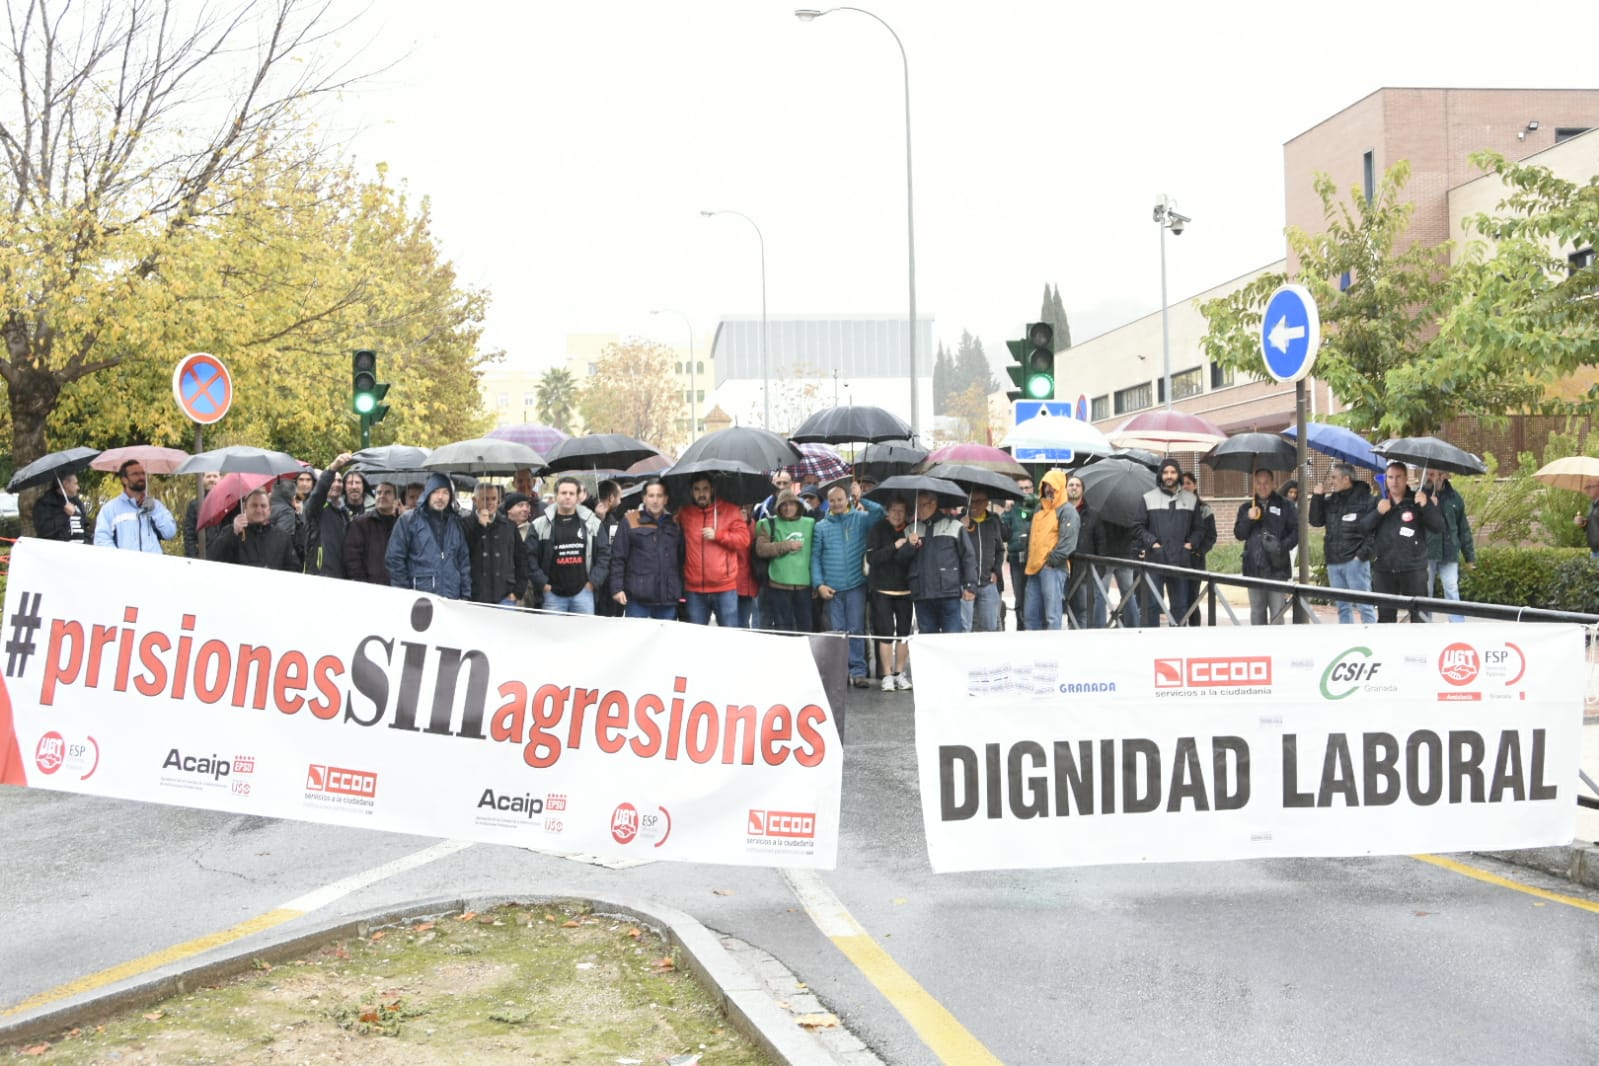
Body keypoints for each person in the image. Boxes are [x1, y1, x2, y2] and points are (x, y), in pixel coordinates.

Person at [811, 483, 885, 687]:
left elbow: (880, 512)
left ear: (847, 500)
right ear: (829, 501)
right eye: (832, 500)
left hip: (856, 585)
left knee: (856, 629)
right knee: (837, 632)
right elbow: (815, 558)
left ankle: (858, 671)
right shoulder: (821, 527)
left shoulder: (860, 519)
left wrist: (861, 497)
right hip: (832, 589)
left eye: (840, 499)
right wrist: (819, 585)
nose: (836, 503)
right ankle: (839, 672)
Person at [1358, 462, 1444, 623]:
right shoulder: (1379, 501)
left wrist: (1426, 506)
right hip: (1384, 568)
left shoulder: (1418, 499)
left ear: (1406, 479)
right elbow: (1362, 528)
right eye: (1390, 477)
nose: (1394, 481)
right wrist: (1378, 513)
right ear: (1386, 480)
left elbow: (1438, 527)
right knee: (1386, 618)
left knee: (1420, 616)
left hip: (1413, 568)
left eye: (1398, 477)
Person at [674, 474, 750, 626]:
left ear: (713, 489)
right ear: (691, 491)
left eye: (705, 489)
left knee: (729, 637)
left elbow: (744, 540)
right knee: (696, 639)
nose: (701, 493)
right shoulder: (686, 513)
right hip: (694, 590)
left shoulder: (730, 510)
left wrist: (718, 535)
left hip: (725, 589)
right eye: (696, 489)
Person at [528, 476, 610, 615]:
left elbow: (605, 555)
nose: (567, 497)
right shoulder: (540, 525)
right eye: (563, 493)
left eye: (571, 493)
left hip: (583, 593)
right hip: (552, 594)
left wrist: (594, 582)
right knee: (553, 635)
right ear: (556, 496)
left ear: (578, 497)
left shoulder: (593, 523)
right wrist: (542, 583)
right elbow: (529, 558)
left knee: (583, 635)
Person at [1309, 463, 1377, 624]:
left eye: (1334, 477)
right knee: (1342, 607)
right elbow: (1315, 521)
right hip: (1334, 561)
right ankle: (1348, 641)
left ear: (1346, 479)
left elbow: (1373, 532)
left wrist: (1361, 556)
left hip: (1355, 562)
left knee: (1364, 605)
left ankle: (1372, 640)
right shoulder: (1332, 500)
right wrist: (1317, 497)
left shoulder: (1366, 500)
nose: (1331, 481)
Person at [1134, 458, 1199, 626]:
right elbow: (1138, 527)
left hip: (1180, 560)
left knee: (1180, 607)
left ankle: (1177, 646)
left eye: (1173, 472)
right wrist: (1153, 543)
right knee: (1152, 606)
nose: (1169, 476)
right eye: (1165, 472)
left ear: (1178, 474)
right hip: (1155, 559)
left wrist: (1190, 544)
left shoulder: (1191, 499)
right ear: (1160, 475)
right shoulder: (1148, 498)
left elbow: (1199, 529)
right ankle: (1151, 645)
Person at [386, 472, 471, 598]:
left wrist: (465, 596)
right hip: (420, 596)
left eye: (445, 493)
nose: (440, 497)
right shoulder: (409, 520)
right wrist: (403, 594)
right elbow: (394, 559)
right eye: (436, 491)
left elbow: (463, 562)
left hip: (451, 596)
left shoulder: (455, 523)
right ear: (428, 494)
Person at [609, 478, 684, 620]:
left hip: (667, 598)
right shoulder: (630, 521)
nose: (655, 500)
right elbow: (618, 557)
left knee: (664, 641)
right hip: (638, 598)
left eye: (659, 496)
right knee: (637, 640)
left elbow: (681, 559)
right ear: (644, 498)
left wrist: (680, 590)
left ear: (665, 499)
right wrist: (617, 588)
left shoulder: (675, 524)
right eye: (651, 496)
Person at [906, 490, 977, 635]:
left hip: (948, 592)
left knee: (951, 639)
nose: (918, 510)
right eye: (916, 506)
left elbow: (968, 557)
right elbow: (901, 560)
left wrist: (970, 585)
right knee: (928, 639)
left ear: (934, 504)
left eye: (921, 505)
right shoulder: (910, 529)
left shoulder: (955, 526)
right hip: (922, 593)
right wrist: (909, 546)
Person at [1235, 469, 1298, 625]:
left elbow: (1296, 532)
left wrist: (1281, 547)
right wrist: (1248, 519)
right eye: (1258, 483)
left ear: (1273, 484)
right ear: (1254, 485)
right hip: (1253, 568)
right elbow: (1239, 534)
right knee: (1257, 612)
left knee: (1277, 612)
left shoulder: (1286, 506)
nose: (1262, 487)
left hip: (1277, 568)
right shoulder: (1246, 507)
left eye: (1266, 483)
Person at [867, 498, 915, 690]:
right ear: (887, 511)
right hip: (882, 589)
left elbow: (913, 559)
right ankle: (887, 674)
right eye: (894, 510)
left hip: (905, 589)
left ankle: (900, 672)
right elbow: (873, 558)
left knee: (904, 633)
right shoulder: (877, 528)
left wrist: (912, 545)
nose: (897, 515)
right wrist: (895, 546)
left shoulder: (912, 529)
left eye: (901, 511)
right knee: (886, 632)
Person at [1022, 470, 1079, 631]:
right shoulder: (1039, 509)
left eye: (1052, 486)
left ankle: (1053, 651)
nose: (1049, 489)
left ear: (1060, 487)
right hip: (1034, 569)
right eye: (1046, 485)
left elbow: (1068, 543)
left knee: (1052, 616)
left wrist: (1051, 562)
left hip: (1052, 569)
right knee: (1031, 615)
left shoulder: (1068, 511)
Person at [755, 489, 814, 634]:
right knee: (783, 629)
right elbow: (761, 549)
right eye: (784, 505)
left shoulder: (811, 523)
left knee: (805, 629)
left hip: (804, 585)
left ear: (798, 506)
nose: (788, 508)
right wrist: (787, 545)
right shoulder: (767, 524)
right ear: (778, 507)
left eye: (792, 504)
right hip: (778, 584)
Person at [463, 482, 529, 607]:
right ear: (475, 500)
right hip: (476, 596)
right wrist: (479, 527)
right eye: (485, 499)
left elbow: (521, 559)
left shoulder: (509, 525)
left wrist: (517, 591)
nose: (490, 503)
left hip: (505, 596)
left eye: (493, 498)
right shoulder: (465, 524)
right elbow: (463, 555)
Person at [1423, 470, 1475, 623]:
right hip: (1428, 551)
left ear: (1443, 475)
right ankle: (1425, 624)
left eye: (1433, 474)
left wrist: (1469, 557)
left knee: (1452, 588)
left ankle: (1457, 625)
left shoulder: (1455, 498)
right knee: (1426, 591)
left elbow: (1463, 527)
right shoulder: (1421, 495)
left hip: (1449, 550)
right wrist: (1429, 507)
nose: (1429, 477)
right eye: (1428, 473)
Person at [205, 487, 299, 570]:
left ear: (270, 510)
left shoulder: (282, 536)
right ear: (245, 508)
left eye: (263, 506)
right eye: (254, 505)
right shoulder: (232, 532)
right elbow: (213, 558)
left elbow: (292, 568)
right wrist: (232, 533)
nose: (258, 510)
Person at [94, 460, 177, 553]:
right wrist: (119, 560)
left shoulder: (156, 505)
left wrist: (153, 511)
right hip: (126, 565)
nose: (141, 477)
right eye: (135, 474)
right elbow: (102, 540)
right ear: (124, 480)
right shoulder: (110, 509)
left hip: (154, 565)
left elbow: (170, 533)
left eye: (142, 473)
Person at [301, 454, 359, 578]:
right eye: (333, 480)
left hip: (340, 576)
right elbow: (319, 493)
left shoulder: (344, 513)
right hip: (319, 575)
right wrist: (332, 468)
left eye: (339, 481)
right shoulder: (316, 508)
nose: (336, 484)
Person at [962, 489, 1007, 633]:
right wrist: (962, 529)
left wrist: (996, 571)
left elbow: (1000, 550)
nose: (974, 505)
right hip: (965, 585)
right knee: (965, 628)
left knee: (990, 628)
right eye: (972, 501)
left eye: (979, 501)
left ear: (987, 502)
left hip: (987, 584)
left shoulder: (993, 522)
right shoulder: (960, 522)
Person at [1066, 474, 1108, 628]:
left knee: (1083, 609)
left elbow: (1101, 542)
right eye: (1071, 485)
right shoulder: (1058, 512)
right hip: (1063, 568)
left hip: (1085, 570)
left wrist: (1100, 568)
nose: (1074, 488)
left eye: (1077, 485)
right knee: (1065, 608)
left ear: (1083, 490)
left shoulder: (1093, 514)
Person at [345, 481, 402, 585]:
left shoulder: (401, 524)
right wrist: (362, 584)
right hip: (370, 587)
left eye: (387, 493)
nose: (382, 496)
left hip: (397, 586)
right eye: (379, 492)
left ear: (396, 499)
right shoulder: (360, 523)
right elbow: (353, 559)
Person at [1180, 472, 1217, 625]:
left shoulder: (1204, 509)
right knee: (1179, 600)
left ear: (1195, 485)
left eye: (1188, 483)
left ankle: (1195, 629)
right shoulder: (1174, 507)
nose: (1185, 486)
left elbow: (1211, 536)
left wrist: (1197, 551)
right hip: (1178, 560)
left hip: (1195, 561)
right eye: (1182, 483)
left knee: (1192, 599)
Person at [1000, 475, 1035, 629]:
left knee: (1034, 595)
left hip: (1036, 558)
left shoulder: (1039, 506)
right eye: (1021, 488)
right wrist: (1006, 512)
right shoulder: (1012, 508)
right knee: (1020, 595)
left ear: (1033, 489)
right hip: (1016, 557)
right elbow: (1003, 533)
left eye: (1027, 488)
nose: (1024, 491)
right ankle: (1021, 626)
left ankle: (1033, 627)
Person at [34, 474, 91, 544]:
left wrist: (87, 542)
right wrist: (64, 515)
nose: (78, 487)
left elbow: (86, 527)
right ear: (65, 484)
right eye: (75, 483)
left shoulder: (77, 502)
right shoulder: (45, 503)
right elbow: (43, 530)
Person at [182, 471, 223, 558]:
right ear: (203, 479)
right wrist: (193, 558)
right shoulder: (194, 505)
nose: (211, 479)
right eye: (208, 476)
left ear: (221, 478)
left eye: (215, 476)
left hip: (226, 558)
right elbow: (189, 536)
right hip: (203, 557)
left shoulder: (229, 503)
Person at [1576, 480, 1599, 559]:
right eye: (1586, 487)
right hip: (1594, 551)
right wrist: (1582, 522)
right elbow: (1592, 526)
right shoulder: (1592, 505)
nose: (1587, 490)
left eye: (1590, 487)